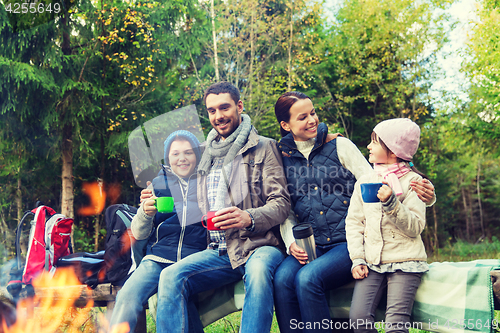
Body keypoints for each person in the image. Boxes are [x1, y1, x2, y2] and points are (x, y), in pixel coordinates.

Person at [272, 92, 435, 333]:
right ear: (286, 125)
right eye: (302, 117)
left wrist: (426, 196)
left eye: (313, 113)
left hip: (347, 242)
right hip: (311, 245)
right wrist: (289, 243)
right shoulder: (282, 157)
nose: (312, 120)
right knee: (283, 280)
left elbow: (375, 180)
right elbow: (285, 207)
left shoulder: (340, 145)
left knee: (307, 279)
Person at [155, 82, 291, 333]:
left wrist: (248, 217)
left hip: (260, 245)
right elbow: (179, 177)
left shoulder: (264, 146)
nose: (218, 116)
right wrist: (151, 198)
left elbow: (281, 203)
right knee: (170, 277)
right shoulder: (205, 153)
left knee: (259, 273)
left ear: (239, 106)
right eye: (211, 110)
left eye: (224, 107)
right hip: (219, 251)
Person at [109, 130, 207, 332]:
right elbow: (139, 233)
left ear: (196, 156)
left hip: (194, 258)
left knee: (173, 295)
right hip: (158, 257)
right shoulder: (157, 184)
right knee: (127, 296)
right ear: (167, 157)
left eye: (188, 153)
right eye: (175, 153)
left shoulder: (207, 182)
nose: (182, 158)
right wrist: (145, 212)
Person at [346, 118, 428, 333]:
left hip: (405, 261)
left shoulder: (414, 182)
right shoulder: (365, 181)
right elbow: (354, 222)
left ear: (393, 151)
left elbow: (415, 227)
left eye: (375, 142)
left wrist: (392, 203)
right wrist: (357, 259)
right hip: (372, 262)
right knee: (358, 319)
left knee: (395, 325)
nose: (368, 146)